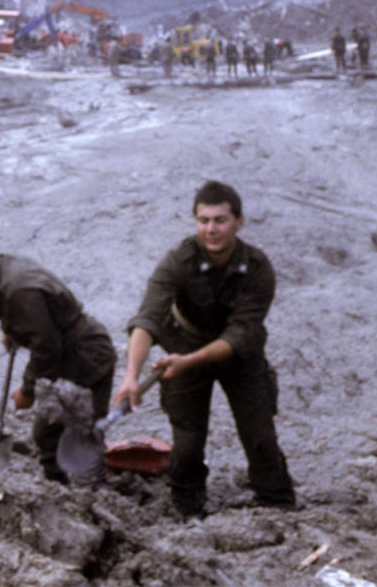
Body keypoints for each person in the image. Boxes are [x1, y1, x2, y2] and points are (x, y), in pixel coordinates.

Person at [114, 181, 295, 517]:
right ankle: (188, 509)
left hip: (239, 355)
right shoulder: (177, 262)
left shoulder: (258, 268)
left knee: (260, 434)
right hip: (184, 344)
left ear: (239, 222)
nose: (211, 229)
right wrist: (131, 376)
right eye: (203, 220)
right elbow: (147, 320)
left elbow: (241, 334)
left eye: (221, 220)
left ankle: (278, 504)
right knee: (187, 443)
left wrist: (190, 361)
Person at [0, 236, 116, 484]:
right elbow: (40, 315)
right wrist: (13, 328)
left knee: (59, 432)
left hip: (85, 357)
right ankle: (72, 483)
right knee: (61, 432)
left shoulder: (17, 290)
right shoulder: (4, 266)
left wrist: (28, 391)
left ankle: (76, 490)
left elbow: (46, 349)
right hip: (75, 348)